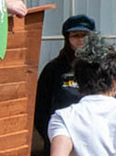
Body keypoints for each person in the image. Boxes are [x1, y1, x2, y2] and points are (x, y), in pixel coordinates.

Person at [35, 13, 97, 145]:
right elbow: (40, 110)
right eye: (75, 36)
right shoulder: (53, 69)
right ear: (67, 38)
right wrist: (53, 138)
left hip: (93, 139)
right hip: (61, 138)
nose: (80, 40)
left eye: (84, 35)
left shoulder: (99, 67)